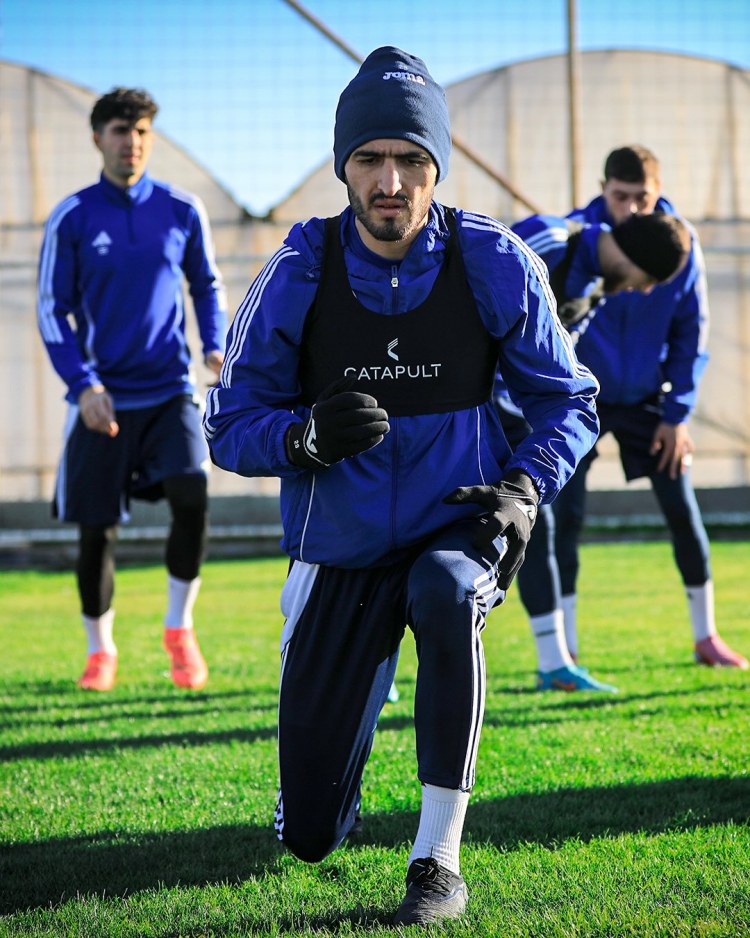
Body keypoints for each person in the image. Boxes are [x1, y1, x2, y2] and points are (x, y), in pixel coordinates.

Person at [204, 47, 599, 926]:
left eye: (413, 160)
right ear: (343, 165)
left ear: (437, 167)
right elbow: (227, 424)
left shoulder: (493, 260)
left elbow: (570, 400)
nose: (392, 182)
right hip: (340, 547)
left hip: (457, 524)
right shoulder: (298, 269)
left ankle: (438, 861)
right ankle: (331, 776)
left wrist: (525, 485)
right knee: (310, 835)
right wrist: (302, 439)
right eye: (371, 159)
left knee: (445, 591)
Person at [37, 87, 227, 692]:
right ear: (98, 138)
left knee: (193, 494)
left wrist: (215, 345)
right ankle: (101, 651)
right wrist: (83, 384)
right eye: (121, 130)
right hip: (104, 399)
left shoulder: (182, 209)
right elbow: (51, 310)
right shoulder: (73, 216)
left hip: (171, 390)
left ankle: (179, 630)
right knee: (97, 531)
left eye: (142, 130)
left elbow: (207, 285)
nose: (132, 142)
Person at [552, 145, 746, 670]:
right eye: (621, 196)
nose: (633, 208)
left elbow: (690, 334)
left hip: (648, 402)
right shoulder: (576, 238)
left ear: (659, 192)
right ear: (603, 190)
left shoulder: (680, 246)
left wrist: (676, 415)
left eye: (644, 197)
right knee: (564, 519)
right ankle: (566, 647)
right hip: (581, 402)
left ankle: (707, 636)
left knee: (682, 509)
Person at [501, 209, 694, 691]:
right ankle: (367, 653)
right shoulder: (546, 239)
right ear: (637, 257)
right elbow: (464, 304)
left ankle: (554, 665)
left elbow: (557, 364)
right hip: (462, 411)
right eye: (649, 279)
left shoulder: (594, 286)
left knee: (534, 523)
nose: (644, 291)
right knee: (416, 523)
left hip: (510, 418)